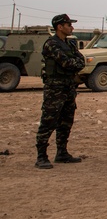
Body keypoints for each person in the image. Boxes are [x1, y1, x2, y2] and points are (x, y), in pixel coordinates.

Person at [35, 13, 86, 169]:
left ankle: (62, 152)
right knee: (48, 121)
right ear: (60, 26)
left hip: (68, 87)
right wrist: (74, 63)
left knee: (66, 121)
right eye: (69, 24)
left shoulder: (69, 44)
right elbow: (67, 62)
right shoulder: (51, 44)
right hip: (54, 88)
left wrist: (74, 63)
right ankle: (41, 156)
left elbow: (81, 61)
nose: (72, 27)